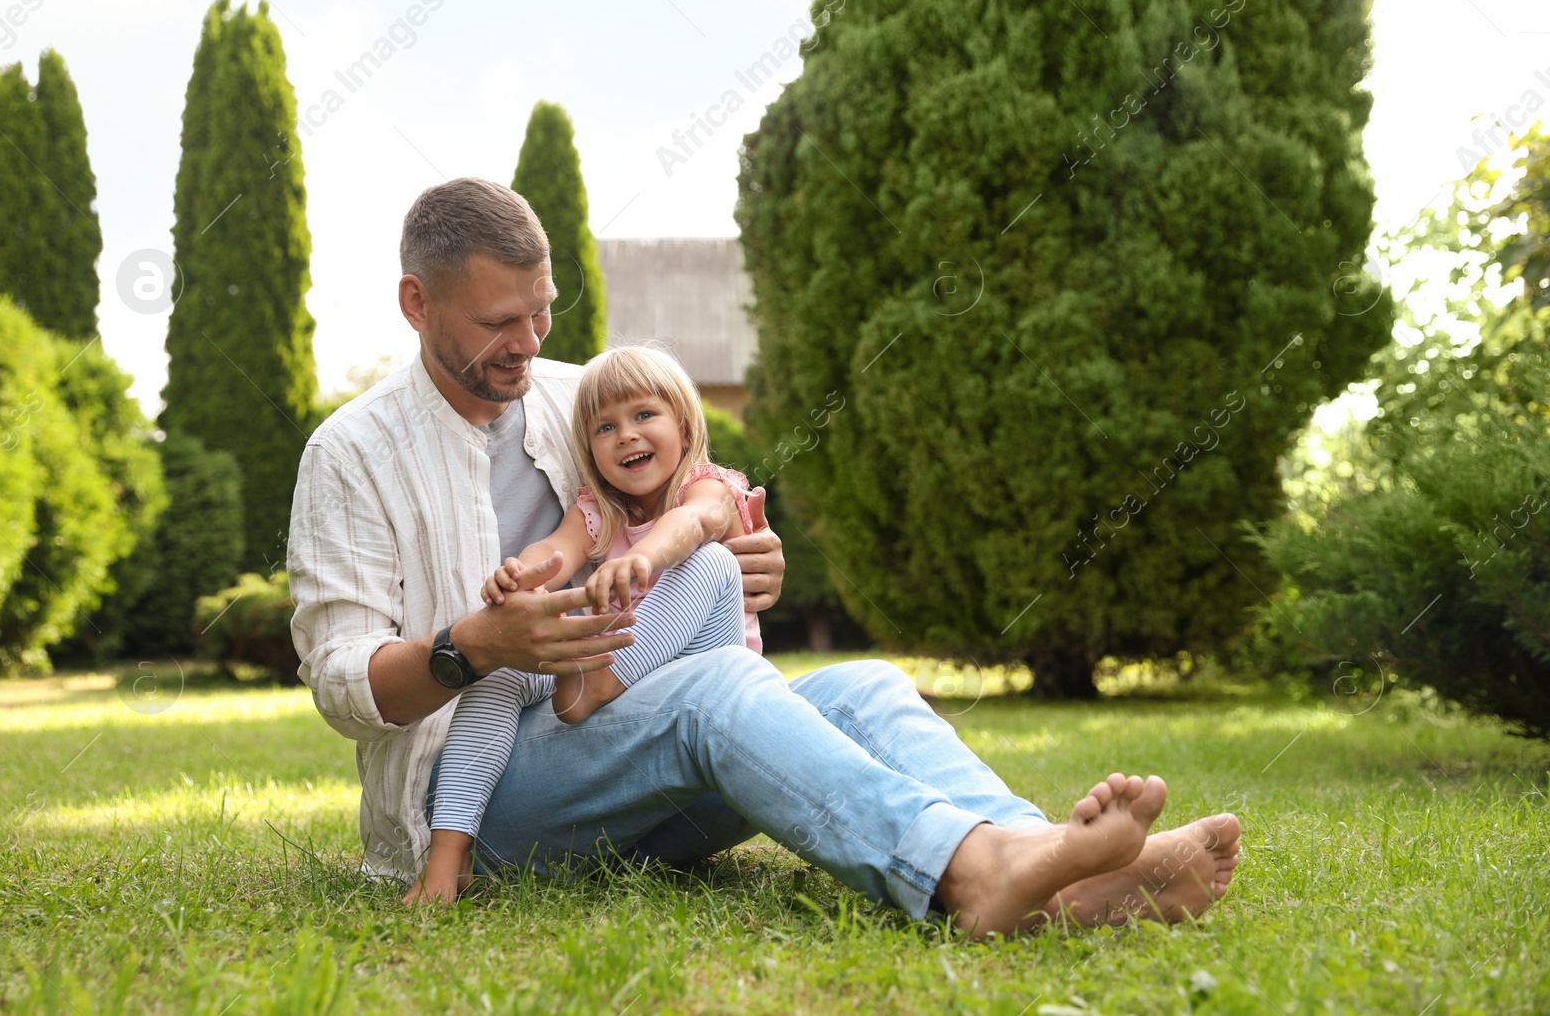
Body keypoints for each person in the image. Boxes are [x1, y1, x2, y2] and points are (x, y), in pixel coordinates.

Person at [288, 177, 1242, 939]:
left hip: (623, 746)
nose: (529, 343)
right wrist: (475, 646)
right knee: (717, 693)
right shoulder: (349, 455)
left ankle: (1048, 858)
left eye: (540, 313)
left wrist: (744, 550)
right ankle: (978, 875)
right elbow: (339, 685)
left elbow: (692, 502)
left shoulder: (581, 397)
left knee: (864, 685)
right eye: (500, 321)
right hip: (476, 800)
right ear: (417, 303)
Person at [407, 345, 763, 902]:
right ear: (589, 451)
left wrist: (647, 558)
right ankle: (448, 856)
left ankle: (596, 679)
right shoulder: (601, 509)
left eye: (645, 415)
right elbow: (555, 551)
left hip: (703, 687)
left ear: (686, 428)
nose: (626, 434)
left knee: (710, 559)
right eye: (605, 426)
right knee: (500, 671)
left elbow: (697, 522)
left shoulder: (708, 485)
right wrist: (517, 576)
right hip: (616, 688)